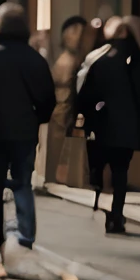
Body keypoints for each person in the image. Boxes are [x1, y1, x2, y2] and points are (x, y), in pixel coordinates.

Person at [0, 3, 55, 277]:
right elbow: (48, 102)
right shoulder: (35, 59)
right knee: (22, 183)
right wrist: (34, 119)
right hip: (25, 133)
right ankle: (26, 238)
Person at [72, 16, 140, 234]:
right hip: (128, 126)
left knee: (100, 164)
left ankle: (99, 197)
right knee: (121, 170)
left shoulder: (99, 58)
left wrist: (88, 115)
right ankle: (116, 215)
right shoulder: (137, 59)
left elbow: (84, 94)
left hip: (102, 124)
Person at [49, 16, 93, 184]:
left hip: (65, 111)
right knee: (57, 146)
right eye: (75, 33)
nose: (79, 38)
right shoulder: (66, 61)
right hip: (61, 112)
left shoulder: (75, 60)